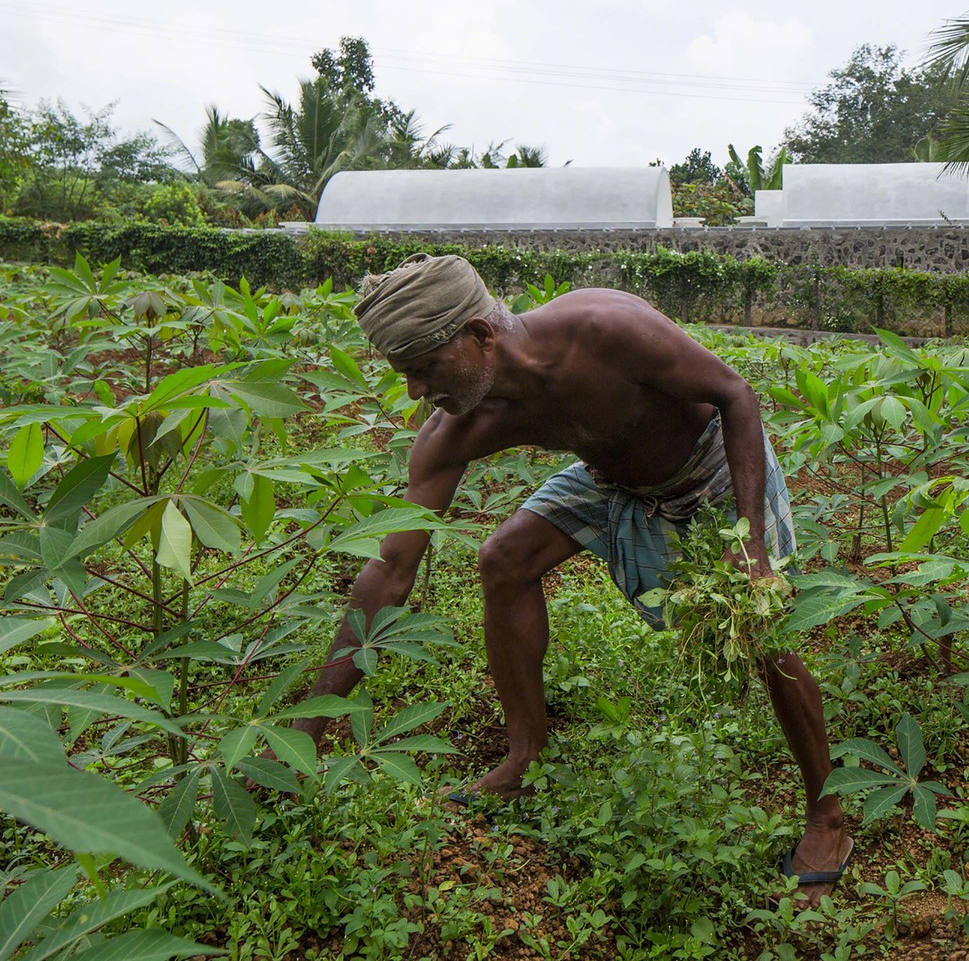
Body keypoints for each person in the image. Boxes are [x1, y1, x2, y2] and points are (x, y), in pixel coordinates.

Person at [288, 253, 853, 902]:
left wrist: (749, 543)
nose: (416, 392)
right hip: (611, 477)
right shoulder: (456, 429)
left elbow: (735, 395)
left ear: (478, 335)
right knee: (504, 560)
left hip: (710, 468)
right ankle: (526, 758)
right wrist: (305, 733)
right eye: (405, 374)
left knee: (758, 629)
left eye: (422, 369)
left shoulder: (604, 330)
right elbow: (390, 572)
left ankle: (828, 815)